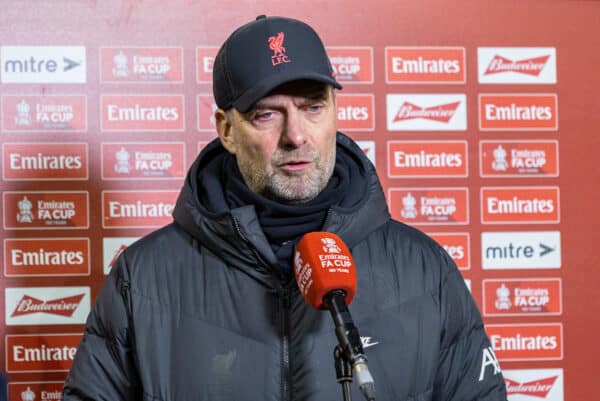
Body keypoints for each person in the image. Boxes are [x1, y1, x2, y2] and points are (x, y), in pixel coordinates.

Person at [63, 15, 507, 401]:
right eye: (267, 115)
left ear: (335, 110)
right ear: (227, 130)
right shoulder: (142, 280)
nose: (296, 135)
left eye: (313, 107)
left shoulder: (425, 272)